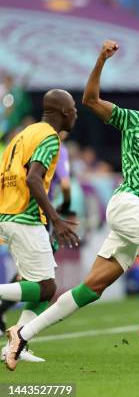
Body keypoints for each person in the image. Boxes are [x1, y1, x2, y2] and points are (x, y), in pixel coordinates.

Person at [4, 40, 139, 371]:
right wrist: (101, 60)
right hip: (127, 202)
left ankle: (22, 333)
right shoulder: (133, 121)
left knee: (91, 289)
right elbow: (89, 100)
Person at [0, 89, 80, 370]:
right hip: (26, 217)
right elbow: (34, 179)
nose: (76, 114)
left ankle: (16, 343)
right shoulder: (49, 137)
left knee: (43, 287)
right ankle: (17, 341)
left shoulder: (22, 134)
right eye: (73, 108)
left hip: (9, 214)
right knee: (46, 287)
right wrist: (56, 219)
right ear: (61, 112)